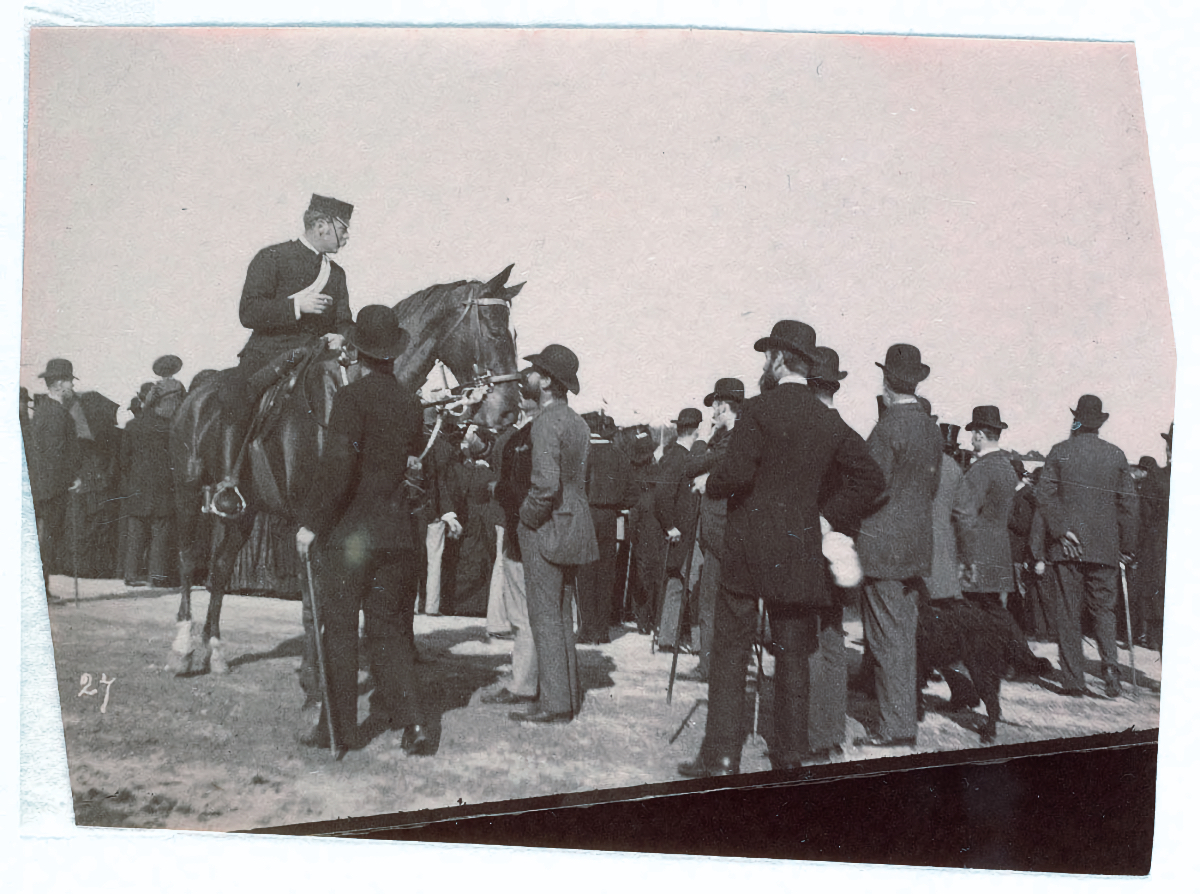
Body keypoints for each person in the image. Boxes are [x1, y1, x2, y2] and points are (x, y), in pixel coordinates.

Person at [679, 321, 885, 777]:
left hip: (747, 551)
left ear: (777, 359)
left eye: (765, 356)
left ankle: (721, 758)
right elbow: (872, 479)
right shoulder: (827, 419)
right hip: (799, 553)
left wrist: (707, 483)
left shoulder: (757, 410)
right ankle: (789, 756)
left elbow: (734, 474)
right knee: (794, 657)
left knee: (731, 654)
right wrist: (827, 517)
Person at [294, 305, 431, 757]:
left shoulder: (351, 400)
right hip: (396, 536)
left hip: (352, 538)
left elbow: (337, 469)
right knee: (388, 631)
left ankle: (339, 730)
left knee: (339, 630)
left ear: (357, 352)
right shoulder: (411, 404)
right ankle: (413, 725)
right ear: (392, 353)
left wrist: (312, 524)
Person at [854, 344, 943, 748]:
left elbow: (870, 487)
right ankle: (903, 718)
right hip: (915, 547)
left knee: (885, 639)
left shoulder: (888, 426)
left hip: (882, 547)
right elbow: (933, 486)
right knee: (903, 638)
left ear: (886, 380)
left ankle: (895, 726)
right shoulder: (930, 427)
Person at [510, 344, 599, 724]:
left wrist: (525, 519)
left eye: (533, 370)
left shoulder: (545, 423)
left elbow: (545, 486)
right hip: (576, 527)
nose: (526, 376)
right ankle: (565, 697)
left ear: (546, 381)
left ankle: (554, 704)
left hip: (546, 529)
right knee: (562, 617)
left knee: (544, 617)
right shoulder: (578, 422)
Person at [222, 194, 354, 430]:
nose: (346, 236)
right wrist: (296, 306)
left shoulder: (336, 274)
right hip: (270, 355)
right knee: (236, 412)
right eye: (343, 229)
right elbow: (248, 312)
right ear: (321, 225)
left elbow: (344, 321)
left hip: (316, 357)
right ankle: (231, 466)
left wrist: (342, 335)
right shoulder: (272, 257)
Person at [1036, 395, 1138, 698]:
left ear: (1076, 420)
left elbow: (1044, 496)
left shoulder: (1059, 452)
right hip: (1106, 549)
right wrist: (1127, 546)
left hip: (1068, 547)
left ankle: (1073, 681)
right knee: (1104, 611)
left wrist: (1061, 530)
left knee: (1068, 613)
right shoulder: (1116, 455)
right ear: (1099, 423)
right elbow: (1129, 505)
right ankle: (1110, 668)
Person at [953, 406, 1053, 680]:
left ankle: (999, 662)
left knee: (975, 610)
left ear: (982, 435)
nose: (972, 439)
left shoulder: (981, 470)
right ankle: (1021, 659)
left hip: (977, 550)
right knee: (995, 611)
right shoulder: (1007, 468)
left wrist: (962, 553)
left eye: (974, 433)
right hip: (999, 548)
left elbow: (966, 512)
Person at [680, 378, 744, 682]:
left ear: (724, 406)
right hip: (720, 533)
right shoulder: (732, 438)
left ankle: (711, 667)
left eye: (715, 408)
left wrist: (703, 439)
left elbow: (691, 465)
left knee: (712, 603)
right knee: (714, 602)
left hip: (723, 534)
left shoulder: (730, 441)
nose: (712, 415)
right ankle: (713, 665)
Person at [482, 388, 542, 706]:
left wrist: (499, 488)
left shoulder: (526, 437)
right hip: (534, 534)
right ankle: (530, 679)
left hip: (522, 533)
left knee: (522, 614)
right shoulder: (557, 428)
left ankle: (523, 683)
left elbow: (522, 488)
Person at [576, 411, 632, 644]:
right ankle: (602, 630)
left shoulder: (583, 452)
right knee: (606, 573)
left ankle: (587, 629)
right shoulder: (618, 454)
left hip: (586, 514)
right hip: (611, 516)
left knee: (585, 573)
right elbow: (631, 491)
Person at [29, 358, 82, 600]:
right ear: (60, 383)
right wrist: (72, 478)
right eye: (70, 381)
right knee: (48, 538)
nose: (72, 386)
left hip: (42, 485)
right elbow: (54, 453)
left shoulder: (42, 410)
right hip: (52, 487)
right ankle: (41, 589)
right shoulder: (56, 413)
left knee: (42, 538)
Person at [655, 407, 705, 652]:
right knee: (692, 584)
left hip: (683, 531)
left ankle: (669, 637)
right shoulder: (679, 457)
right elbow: (663, 493)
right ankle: (695, 642)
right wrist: (670, 526)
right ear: (697, 430)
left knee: (680, 582)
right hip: (683, 531)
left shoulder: (676, 455)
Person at [1129, 455, 1168, 651]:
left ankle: (1148, 637)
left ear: (1144, 470)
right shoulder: (1162, 482)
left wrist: (1134, 551)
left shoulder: (1147, 489)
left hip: (1150, 551)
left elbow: (1142, 522)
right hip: (1160, 550)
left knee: (1147, 595)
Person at [142, 354, 186, 420]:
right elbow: (185, 397)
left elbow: (148, 401)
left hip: (161, 414)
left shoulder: (158, 386)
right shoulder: (178, 384)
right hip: (177, 414)